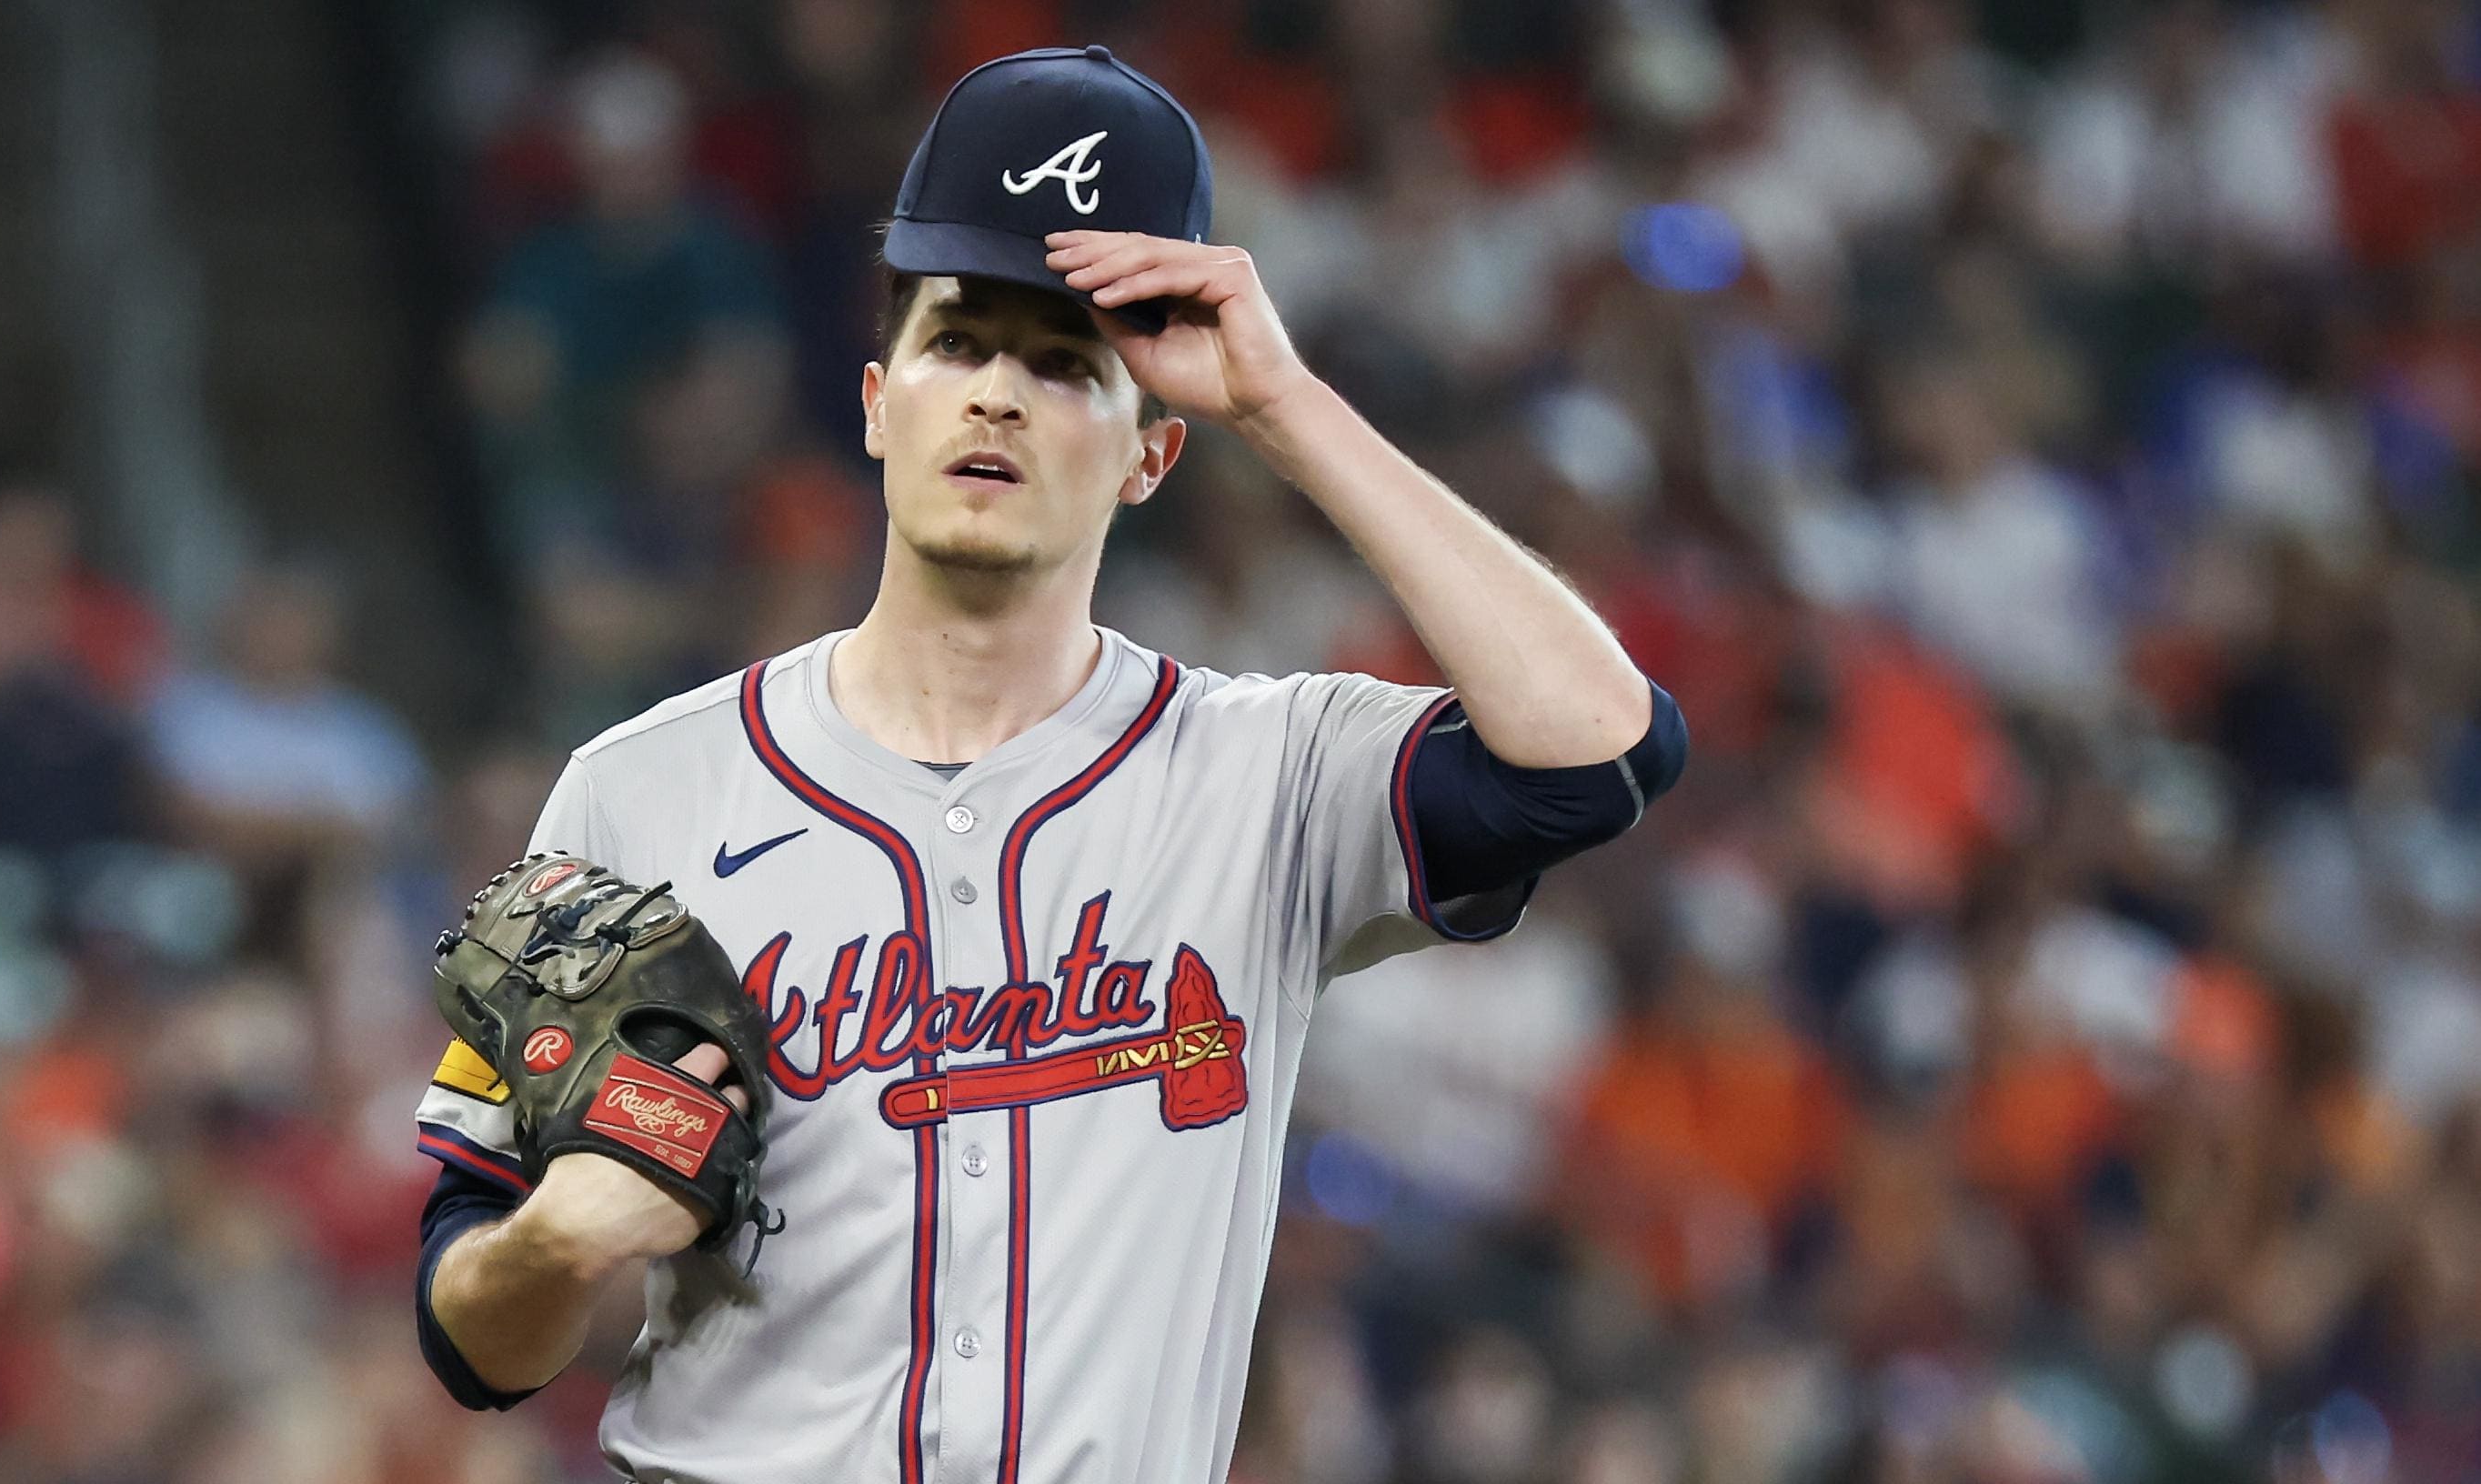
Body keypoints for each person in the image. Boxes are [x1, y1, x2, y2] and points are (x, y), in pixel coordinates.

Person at [412, 46, 1687, 1484]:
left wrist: (1287, 407)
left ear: (1154, 455)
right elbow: (469, 1340)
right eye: (960, 343)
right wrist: (550, 1245)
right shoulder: (638, 789)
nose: (999, 396)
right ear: (879, 399)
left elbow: (1600, 753)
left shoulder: (1263, 775)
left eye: (1068, 365)